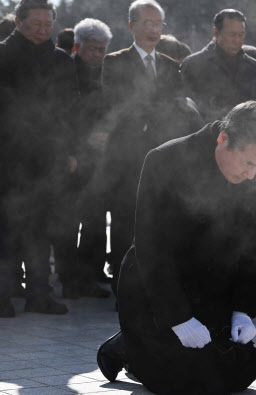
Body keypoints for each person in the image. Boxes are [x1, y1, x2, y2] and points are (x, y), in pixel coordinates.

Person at [96, 101, 256, 394]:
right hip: (157, 285)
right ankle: (128, 345)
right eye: (249, 164)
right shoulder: (164, 160)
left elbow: (251, 245)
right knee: (180, 383)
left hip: (213, 286)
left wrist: (242, 309)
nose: (252, 175)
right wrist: (178, 317)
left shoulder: (253, 176)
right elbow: (152, 246)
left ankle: (141, 342)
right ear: (223, 139)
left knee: (233, 375)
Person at [101, 0, 202, 297]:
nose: (153, 30)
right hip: (127, 158)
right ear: (131, 26)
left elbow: (179, 108)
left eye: (158, 24)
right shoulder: (114, 62)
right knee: (124, 223)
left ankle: (153, 287)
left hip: (162, 158)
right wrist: (155, 113)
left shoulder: (172, 66)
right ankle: (124, 291)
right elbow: (116, 106)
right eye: (147, 23)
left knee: (157, 222)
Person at [0, 0, 78, 316]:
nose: (44, 29)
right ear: (18, 21)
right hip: (7, 157)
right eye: (36, 23)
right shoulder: (3, 55)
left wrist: (71, 150)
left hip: (48, 158)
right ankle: (2, 295)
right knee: (5, 229)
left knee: (41, 229)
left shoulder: (61, 60)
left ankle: (39, 294)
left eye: (49, 23)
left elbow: (71, 111)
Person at [58, 18, 113, 298]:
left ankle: (91, 273)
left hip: (102, 159)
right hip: (74, 157)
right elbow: (61, 115)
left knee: (95, 219)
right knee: (68, 221)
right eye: (92, 49)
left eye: (102, 49)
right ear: (78, 47)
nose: (98, 55)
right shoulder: (65, 71)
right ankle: (69, 279)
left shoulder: (110, 72)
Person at [181, 9, 256, 122]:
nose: (237, 40)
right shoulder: (194, 64)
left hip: (244, 135)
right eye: (232, 34)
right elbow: (186, 107)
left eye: (241, 35)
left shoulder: (253, 67)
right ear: (216, 33)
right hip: (205, 134)